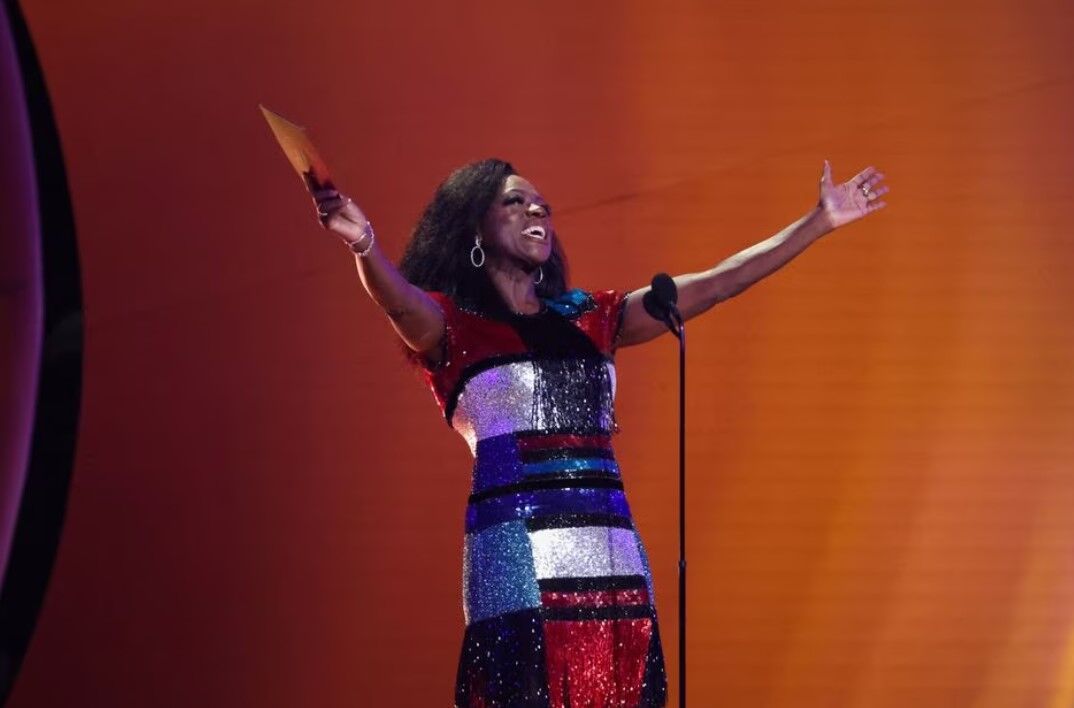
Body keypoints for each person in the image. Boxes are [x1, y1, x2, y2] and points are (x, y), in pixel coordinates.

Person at [310, 158, 887, 707]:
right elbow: (398, 301)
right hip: (517, 553)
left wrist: (817, 224)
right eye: (515, 203)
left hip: (609, 551)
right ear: (475, 226)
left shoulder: (593, 318)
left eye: (543, 206)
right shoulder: (453, 327)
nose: (537, 212)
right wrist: (363, 244)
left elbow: (716, 283)